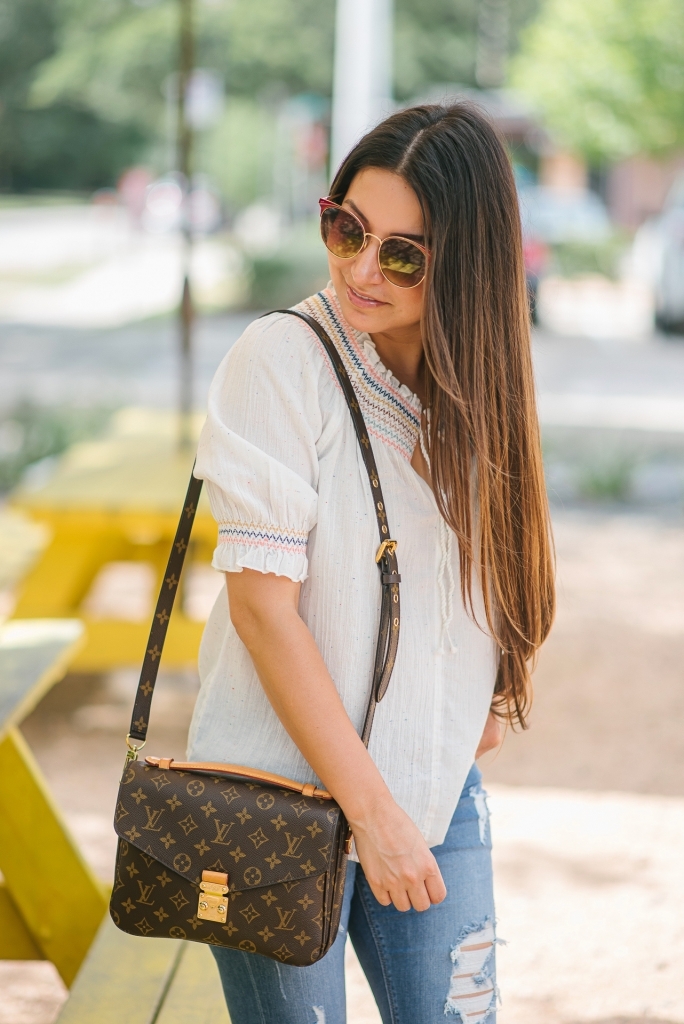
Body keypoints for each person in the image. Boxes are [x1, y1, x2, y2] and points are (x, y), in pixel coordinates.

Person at [190, 102, 555, 1024]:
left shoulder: (480, 381)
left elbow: (498, 558)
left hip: (434, 789)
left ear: (463, 265)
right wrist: (375, 819)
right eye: (346, 229)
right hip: (273, 797)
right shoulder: (281, 361)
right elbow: (265, 613)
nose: (359, 268)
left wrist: (494, 688)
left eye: (402, 254)